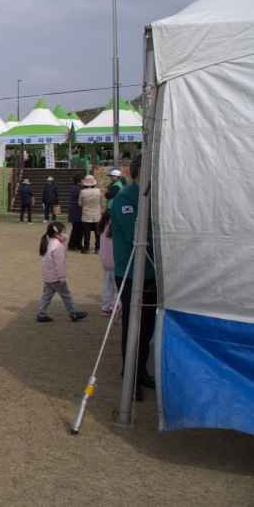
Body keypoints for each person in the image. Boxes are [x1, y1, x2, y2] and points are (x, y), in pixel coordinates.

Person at [110, 153, 156, 399]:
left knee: (148, 325)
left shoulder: (151, 196)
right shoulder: (125, 199)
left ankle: (142, 371)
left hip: (151, 272)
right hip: (129, 273)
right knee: (133, 325)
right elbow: (135, 237)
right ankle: (131, 376)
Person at [35, 222, 88, 323]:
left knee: (46, 296)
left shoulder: (50, 242)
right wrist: (62, 278)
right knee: (66, 295)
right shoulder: (58, 246)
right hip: (56, 277)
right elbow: (60, 264)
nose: (65, 234)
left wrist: (63, 241)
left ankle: (41, 313)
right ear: (57, 234)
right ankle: (73, 312)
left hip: (48, 276)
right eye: (63, 232)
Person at [98, 211, 116, 316]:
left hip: (105, 261)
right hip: (115, 261)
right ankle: (115, 307)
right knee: (116, 286)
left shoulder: (102, 227)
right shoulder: (113, 228)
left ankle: (106, 307)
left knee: (107, 285)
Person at [79, 175, 103, 253]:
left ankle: (86, 248)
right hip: (97, 215)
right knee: (97, 233)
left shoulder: (83, 192)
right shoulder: (98, 191)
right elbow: (101, 202)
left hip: (86, 215)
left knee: (87, 233)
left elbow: (80, 203)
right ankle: (97, 248)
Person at [67, 174, 84, 252]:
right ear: (79, 181)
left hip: (75, 211)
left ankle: (75, 244)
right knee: (77, 229)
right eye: (82, 180)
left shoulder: (74, 188)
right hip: (77, 211)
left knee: (77, 229)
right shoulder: (78, 189)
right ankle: (74, 244)